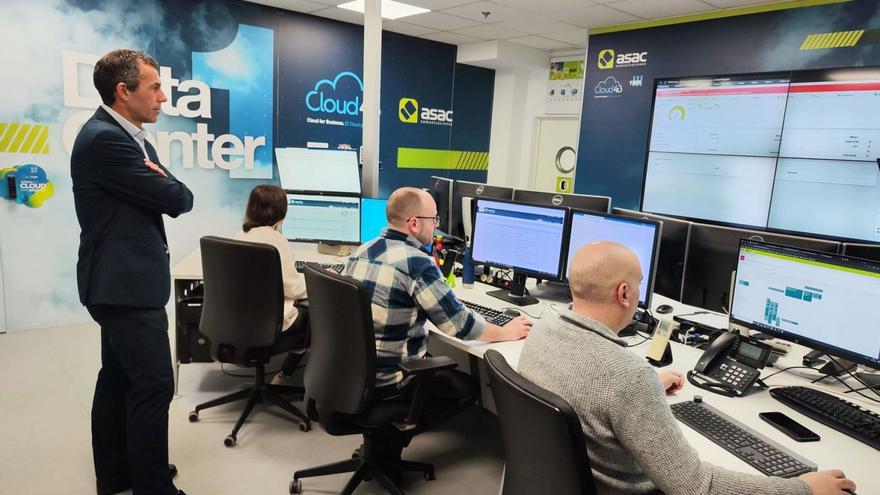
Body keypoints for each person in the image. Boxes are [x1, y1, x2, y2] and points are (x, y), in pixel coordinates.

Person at [517, 241, 857, 495]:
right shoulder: (625, 376)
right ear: (625, 293)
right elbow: (696, 487)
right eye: (638, 284)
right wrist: (804, 488)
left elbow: (590, 383)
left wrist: (647, 388)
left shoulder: (544, 329)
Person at [71, 49, 193, 495]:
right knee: (154, 384)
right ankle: (153, 487)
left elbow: (172, 193)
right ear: (124, 92)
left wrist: (166, 182)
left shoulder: (130, 137)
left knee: (119, 376)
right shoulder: (106, 140)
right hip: (124, 284)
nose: (163, 97)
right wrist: (167, 183)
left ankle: (117, 474)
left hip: (120, 281)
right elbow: (179, 199)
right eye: (154, 87)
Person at [344, 187, 532, 465]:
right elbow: (460, 326)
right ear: (414, 223)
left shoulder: (363, 250)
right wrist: (506, 331)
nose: (437, 226)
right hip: (388, 380)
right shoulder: (416, 263)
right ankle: (390, 438)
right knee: (468, 388)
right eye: (434, 219)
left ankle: (381, 443)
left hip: (351, 372)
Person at [235, 184, 309, 384]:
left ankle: (285, 374)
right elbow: (293, 289)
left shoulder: (240, 237)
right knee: (317, 311)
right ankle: (289, 375)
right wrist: (317, 278)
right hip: (270, 325)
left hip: (239, 323)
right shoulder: (276, 240)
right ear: (282, 214)